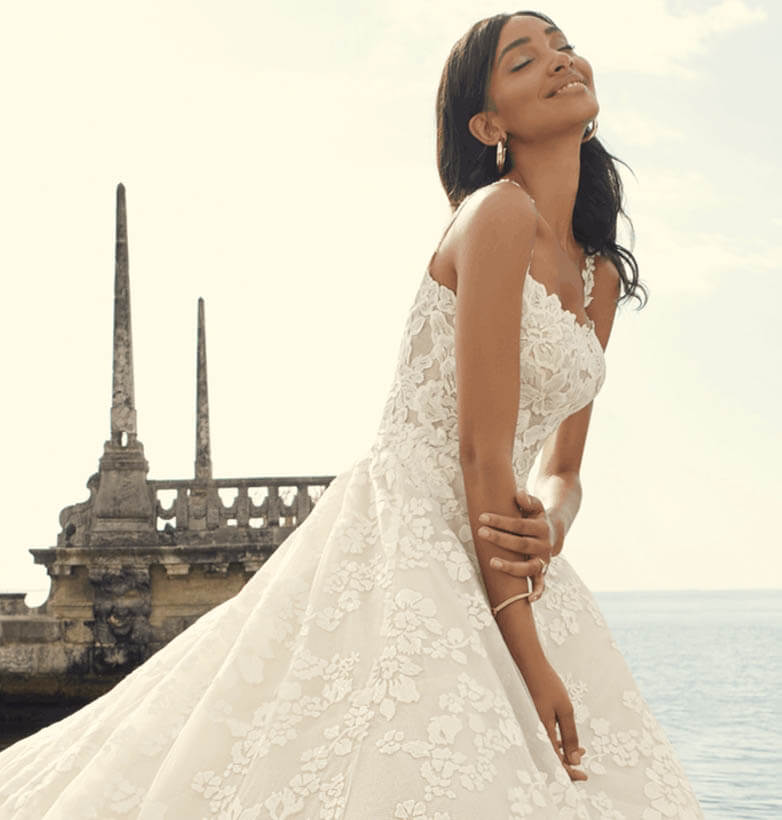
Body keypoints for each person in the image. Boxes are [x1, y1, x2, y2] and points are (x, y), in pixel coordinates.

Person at [0, 10, 705, 819]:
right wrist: (531, 662)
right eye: (524, 59)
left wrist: (551, 520)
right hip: (414, 524)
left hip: (507, 545)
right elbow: (480, 454)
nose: (558, 61)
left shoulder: (598, 279)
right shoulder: (496, 215)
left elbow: (563, 467)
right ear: (489, 124)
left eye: (564, 46)